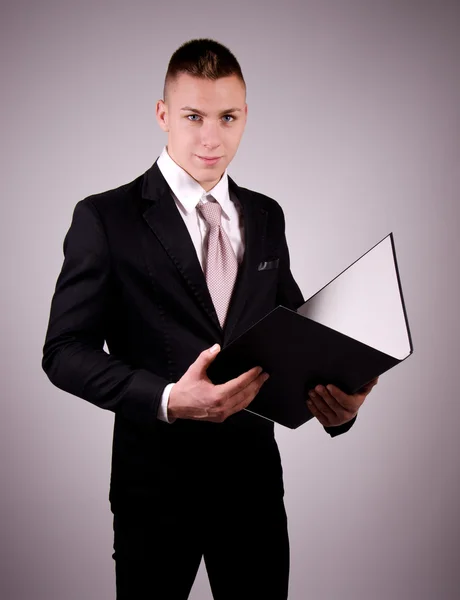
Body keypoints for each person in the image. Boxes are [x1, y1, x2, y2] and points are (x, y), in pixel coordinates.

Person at [42, 38, 378, 600]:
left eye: (228, 117)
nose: (211, 137)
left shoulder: (267, 215)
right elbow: (64, 351)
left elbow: (291, 331)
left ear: (246, 115)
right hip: (153, 488)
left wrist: (339, 398)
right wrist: (170, 399)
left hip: (252, 488)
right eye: (194, 116)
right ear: (163, 114)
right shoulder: (104, 218)